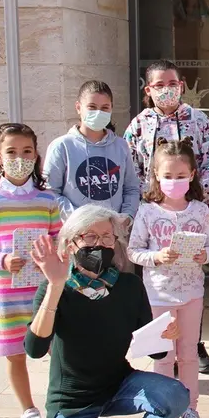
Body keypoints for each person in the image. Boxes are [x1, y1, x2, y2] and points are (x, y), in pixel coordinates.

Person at [25, 205, 188, 418]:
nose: (98, 244)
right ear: (71, 243)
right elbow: (35, 348)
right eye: (89, 236)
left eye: (106, 236)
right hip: (72, 399)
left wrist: (167, 334)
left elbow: (153, 349)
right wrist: (56, 286)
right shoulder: (55, 286)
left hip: (117, 383)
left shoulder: (128, 285)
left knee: (174, 395)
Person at [124, 59, 209, 374]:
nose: (167, 90)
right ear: (148, 90)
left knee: (193, 271)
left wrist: (195, 193)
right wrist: (154, 198)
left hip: (193, 208)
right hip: (155, 213)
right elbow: (132, 168)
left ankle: (194, 343)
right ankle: (162, 347)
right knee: (160, 277)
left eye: (172, 83)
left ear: (181, 85)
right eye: (159, 85)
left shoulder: (199, 120)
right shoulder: (138, 125)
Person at [127, 137, 209, 418]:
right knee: (162, 356)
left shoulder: (201, 211)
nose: (174, 181)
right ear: (155, 174)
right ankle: (164, 409)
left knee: (189, 354)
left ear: (192, 174)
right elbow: (133, 250)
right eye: (167, 176)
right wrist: (156, 257)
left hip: (192, 293)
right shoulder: (148, 211)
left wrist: (203, 255)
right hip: (159, 294)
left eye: (181, 176)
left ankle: (191, 408)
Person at [0, 123, 61, 418]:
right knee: (15, 352)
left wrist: (52, 255)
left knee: (58, 349)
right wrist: (1, 260)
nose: (20, 158)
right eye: (12, 152)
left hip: (43, 289)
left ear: (36, 155)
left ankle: (65, 407)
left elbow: (58, 236)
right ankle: (28, 410)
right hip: (5, 292)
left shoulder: (47, 200)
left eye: (27, 151)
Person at [44, 81, 141, 276]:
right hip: (78, 239)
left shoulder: (121, 146)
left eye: (105, 107)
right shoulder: (61, 147)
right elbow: (50, 193)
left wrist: (127, 217)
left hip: (113, 239)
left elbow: (131, 188)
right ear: (78, 107)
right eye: (92, 107)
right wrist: (80, 221)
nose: (99, 112)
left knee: (115, 294)